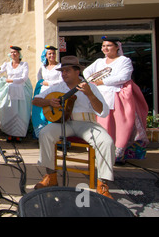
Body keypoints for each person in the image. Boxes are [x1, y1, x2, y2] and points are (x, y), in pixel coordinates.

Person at [32, 56, 115, 199]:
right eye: (62, 71)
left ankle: (102, 183)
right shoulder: (57, 86)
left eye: (67, 71)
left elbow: (103, 111)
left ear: (78, 72)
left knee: (106, 141)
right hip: (64, 123)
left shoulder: (91, 87)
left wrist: (89, 95)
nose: (63, 74)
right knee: (45, 133)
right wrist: (49, 102)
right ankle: (51, 176)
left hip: (87, 123)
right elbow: (35, 100)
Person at [83, 36, 149, 164]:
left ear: (117, 47)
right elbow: (86, 72)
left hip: (117, 98)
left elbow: (124, 76)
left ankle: (118, 154)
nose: (105, 48)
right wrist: (92, 81)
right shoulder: (99, 62)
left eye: (108, 46)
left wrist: (102, 81)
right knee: (101, 125)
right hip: (100, 97)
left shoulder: (124, 61)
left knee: (119, 126)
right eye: (103, 46)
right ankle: (101, 152)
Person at [0, 46, 33, 142]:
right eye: (11, 52)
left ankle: (19, 134)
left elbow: (24, 78)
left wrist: (10, 80)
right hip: (9, 91)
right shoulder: (7, 64)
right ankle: (9, 133)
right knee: (9, 111)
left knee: (20, 112)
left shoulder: (24, 64)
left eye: (15, 52)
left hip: (21, 91)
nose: (13, 54)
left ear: (19, 54)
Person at [32, 45, 62, 139]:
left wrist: (47, 83)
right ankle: (41, 135)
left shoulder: (60, 66)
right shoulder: (43, 67)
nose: (52, 55)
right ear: (45, 55)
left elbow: (61, 81)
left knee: (52, 113)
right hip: (43, 93)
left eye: (53, 53)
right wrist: (43, 84)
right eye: (49, 53)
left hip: (55, 93)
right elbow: (39, 79)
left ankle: (54, 137)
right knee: (41, 114)